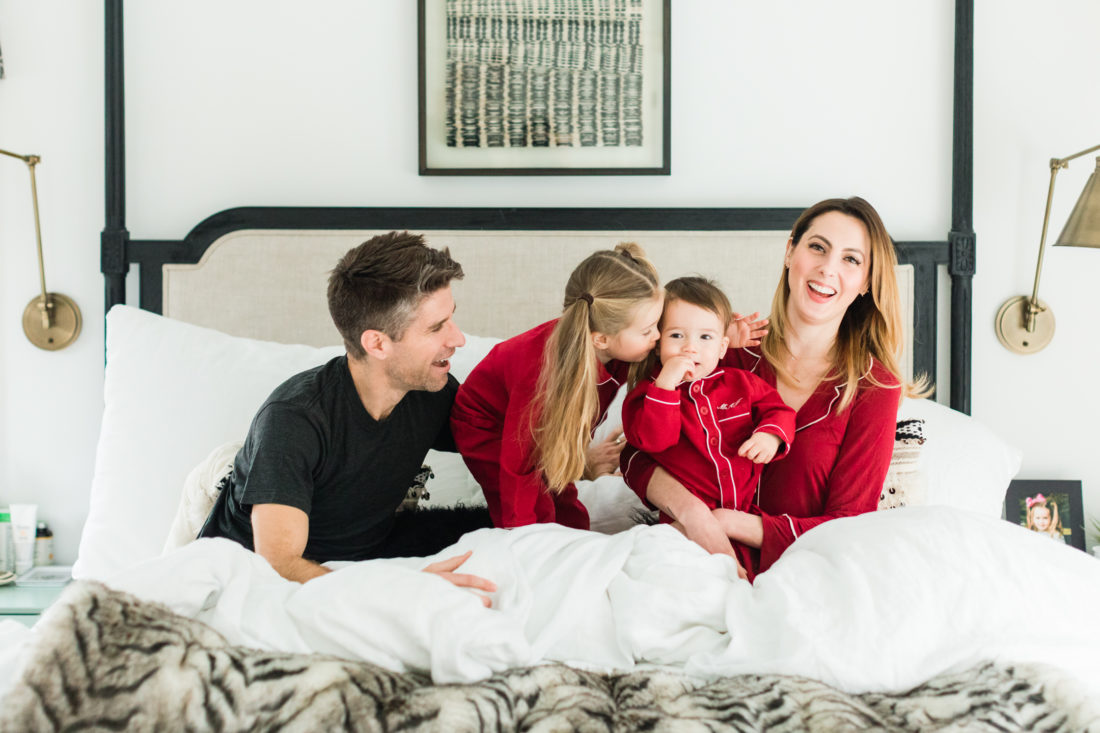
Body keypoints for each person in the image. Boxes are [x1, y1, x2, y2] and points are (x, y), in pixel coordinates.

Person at [622, 197, 923, 580]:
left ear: (866, 282)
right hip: (687, 556)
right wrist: (694, 516)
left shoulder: (875, 388)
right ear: (789, 252)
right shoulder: (721, 351)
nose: (827, 269)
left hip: (802, 574)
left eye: (851, 259)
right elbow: (636, 455)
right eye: (817, 247)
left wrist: (728, 522)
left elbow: (849, 524)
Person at [198, 231, 496, 600]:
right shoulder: (294, 419)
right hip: (253, 581)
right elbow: (278, 565)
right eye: (436, 327)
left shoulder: (428, 391)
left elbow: (507, 444)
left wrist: (584, 456)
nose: (458, 339)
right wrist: (398, 590)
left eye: (450, 319)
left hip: (361, 555)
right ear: (377, 343)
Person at [451, 242, 663, 529]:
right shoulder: (541, 373)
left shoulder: (615, 345)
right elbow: (520, 463)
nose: (658, 336)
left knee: (568, 507)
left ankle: (567, 541)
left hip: (540, 425)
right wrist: (523, 535)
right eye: (648, 330)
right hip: (489, 425)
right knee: (534, 508)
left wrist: (726, 335)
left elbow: (681, 354)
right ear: (601, 339)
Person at [621, 277, 796, 576]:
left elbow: (779, 411)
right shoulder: (645, 396)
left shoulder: (742, 383)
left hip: (741, 517)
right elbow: (655, 441)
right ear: (658, 343)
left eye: (705, 338)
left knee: (756, 573)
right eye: (677, 336)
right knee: (683, 575)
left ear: (722, 346)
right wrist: (666, 384)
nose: (690, 348)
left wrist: (770, 436)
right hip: (682, 524)